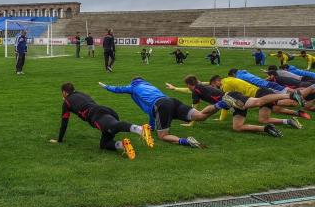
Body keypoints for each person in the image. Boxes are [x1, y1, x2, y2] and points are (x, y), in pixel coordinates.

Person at [100, 77, 231, 148]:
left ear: (133, 82)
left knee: (162, 136)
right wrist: (151, 126)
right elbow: (152, 114)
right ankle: (221, 104)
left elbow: (117, 89)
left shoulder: (133, 87)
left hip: (161, 106)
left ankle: (185, 141)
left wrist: (106, 86)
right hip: (172, 101)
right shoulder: (150, 85)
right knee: (201, 116)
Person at [167, 75, 306, 133]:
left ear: (189, 84)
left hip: (231, 97)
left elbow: (195, 109)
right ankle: (266, 128)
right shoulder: (199, 85)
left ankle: (291, 95)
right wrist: (175, 88)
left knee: (258, 102)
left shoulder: (196, 91)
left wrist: (191, 122)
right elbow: (197, 89)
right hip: (231, 101)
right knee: (237, 127)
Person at [49, 83, 153, 159]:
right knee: (104, 144)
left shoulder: (67, 102)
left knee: (113, 126)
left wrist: (59, 140)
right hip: (108, 111)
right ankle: (123, 145)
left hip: (96, 116)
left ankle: (140, 129)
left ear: (64, 92)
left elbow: (64, 122)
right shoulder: (81, 94)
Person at [213, 75, 303, 129]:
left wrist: (221, 118)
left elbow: (227, 101)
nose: (214, 88)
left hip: (259, 94)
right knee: (263, 119)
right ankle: (289, 121)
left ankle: (293, 96)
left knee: (279, 103)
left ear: (217, 81)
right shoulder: (228, 79)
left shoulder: (225, 85)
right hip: (261, 91)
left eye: (213, 85)